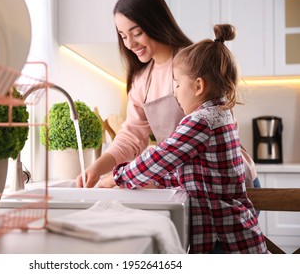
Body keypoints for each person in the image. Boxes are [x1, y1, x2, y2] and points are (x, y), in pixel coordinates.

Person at [111, 24, 268, 254]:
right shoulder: (218, 113)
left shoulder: (200, 121)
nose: (174, 91)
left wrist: (119, 175)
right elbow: (195, 174)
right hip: (235, 234)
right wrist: (156, 182)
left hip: (223, 241)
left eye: (177, 83)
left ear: (198, 85)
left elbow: (162, 156)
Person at [76, 0, 192, 188]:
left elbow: (194, 136)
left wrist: (122, 176)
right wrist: (97, 167)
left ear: (156, 22)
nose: (129, 44)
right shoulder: (142, 79)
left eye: (136, 33)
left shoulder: (194, 62)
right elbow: (131, 136)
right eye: (123, 36)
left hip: (222, 179)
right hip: (185, 181)